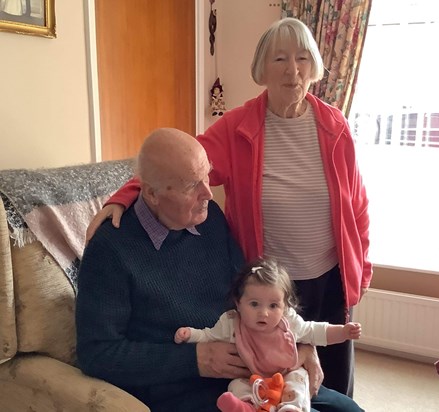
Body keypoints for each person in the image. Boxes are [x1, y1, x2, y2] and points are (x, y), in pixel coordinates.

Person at [86, 17, 372, 398]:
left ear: (315, 66)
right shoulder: (239, 127)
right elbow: (179, 166)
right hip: (269, 284)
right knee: (280, 383)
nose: (293, 70)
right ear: (262, 70)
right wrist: (124, 194)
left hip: (330, 277)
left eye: (303, 58)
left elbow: (356, 204)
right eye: (280, 59)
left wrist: (360, 269)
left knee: (329, 385)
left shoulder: (335, 126)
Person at [76, 128, 364, 412]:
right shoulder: (110, 250)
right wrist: (194, 359)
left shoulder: (208, 217)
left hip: (256, 367)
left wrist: (299, 343)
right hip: (184, 389)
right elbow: (97, 353)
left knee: (349, 409)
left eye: (207, 176)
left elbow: (253, 295)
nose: (209, 194)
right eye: (192, 186)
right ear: (151, 193)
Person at [174, 257, 362, 412]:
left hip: (286, 372)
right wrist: (191, 334)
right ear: (238, 303)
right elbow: (209, 336)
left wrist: (343, 332)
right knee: (236, 386)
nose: (263, 313)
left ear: (285, 306)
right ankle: (245, 407)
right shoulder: (231, 322)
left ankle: (292, 408)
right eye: (254, 304)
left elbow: (315, 331)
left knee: (299, 381)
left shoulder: (288, 322)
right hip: (252, 378)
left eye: (273, 306)